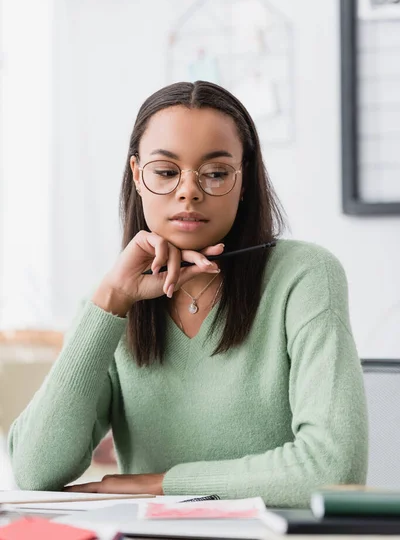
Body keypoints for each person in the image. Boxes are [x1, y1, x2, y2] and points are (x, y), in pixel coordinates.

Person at [8, 81, 368, 507]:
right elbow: (34, 472)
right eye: (165, 171)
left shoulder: (305, 276)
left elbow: (334, 467)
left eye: (215, 173)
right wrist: (108, 302)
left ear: (245, 180)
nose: (189, 191)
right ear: (137, 177)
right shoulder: (113, 302)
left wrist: (162, 484)